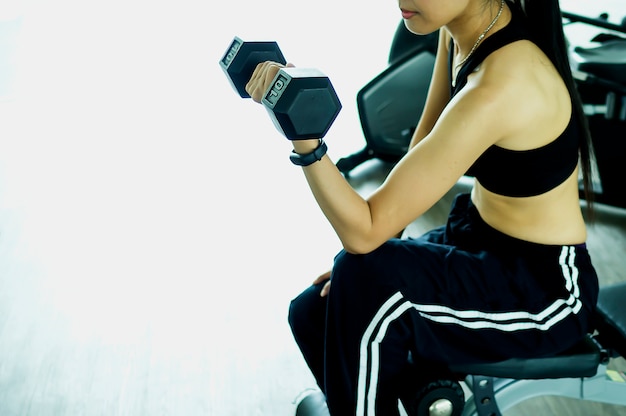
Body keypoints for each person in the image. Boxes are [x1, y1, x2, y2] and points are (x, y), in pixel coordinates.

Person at [246, 0, 599, 415]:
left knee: (363, 279)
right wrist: (372, 253)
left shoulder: (503, 84)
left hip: (542, 294)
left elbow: (363, 229)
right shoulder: (460, 33)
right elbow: (423, 145)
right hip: (477, 243)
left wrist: (305, 141)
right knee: (314, 310)